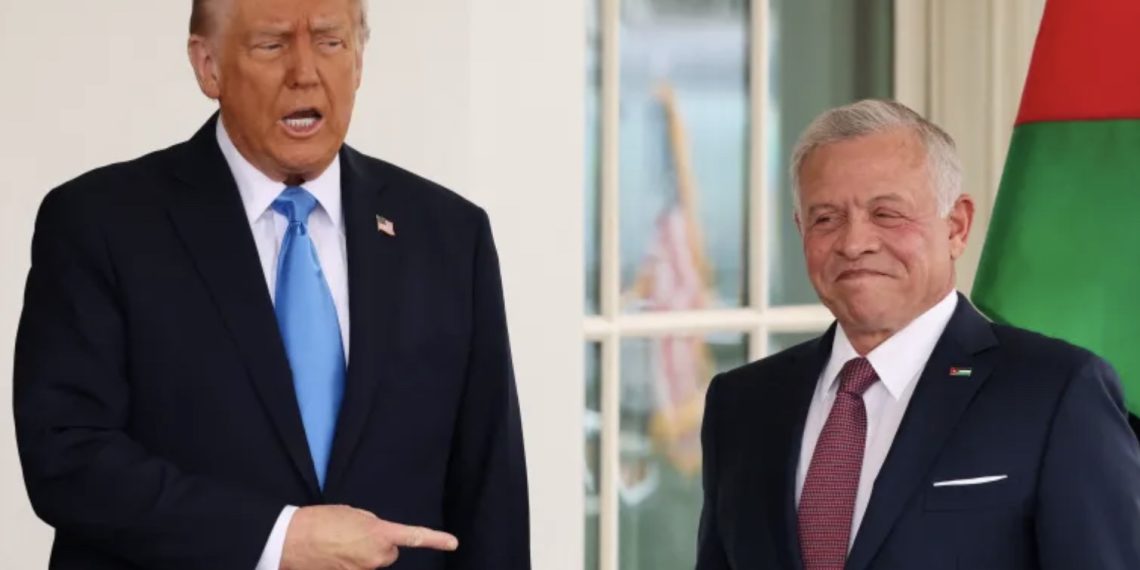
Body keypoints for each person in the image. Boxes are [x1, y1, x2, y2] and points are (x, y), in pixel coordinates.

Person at [13, 1, 530, 568]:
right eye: (272, 44)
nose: (305, 72)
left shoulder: (451, 235)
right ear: (207, 66)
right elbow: (67, 457)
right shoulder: (99, 225)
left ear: (359, 61)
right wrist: (279, 538)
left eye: (330, 42)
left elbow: (490, 490)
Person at [695, 99, 1140, 569]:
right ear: (800, 229)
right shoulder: (741, 404)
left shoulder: (1058, 391)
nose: (854, 242)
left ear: (957, 226)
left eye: (886, 214)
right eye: (826, 218)